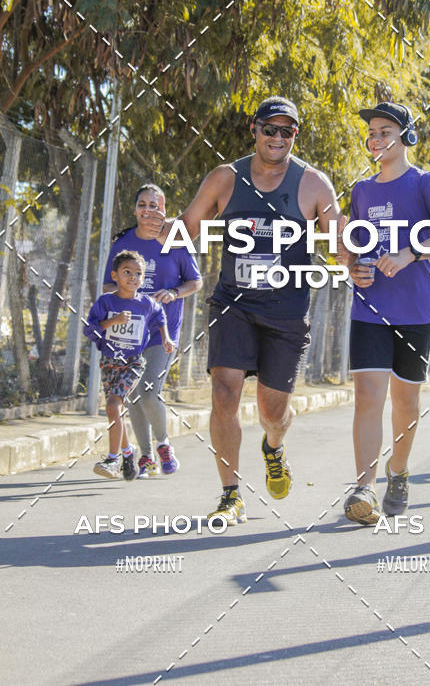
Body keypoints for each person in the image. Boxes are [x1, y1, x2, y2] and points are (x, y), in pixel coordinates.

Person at [157, 96, 345, 526]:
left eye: (287, 131)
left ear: (295, 135)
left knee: (272, 414)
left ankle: (273, 448)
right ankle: (230, 494)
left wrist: (358, 259)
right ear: (253, 129)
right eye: (270, 129)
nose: (278, 138)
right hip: (233, 304)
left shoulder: (314, 184)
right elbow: (188, 229)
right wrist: (163, 231)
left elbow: (340, 244)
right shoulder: (225, 178)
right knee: (224, 393)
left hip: (286, 311)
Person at [342, 102, 430, 525]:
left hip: (415, 311)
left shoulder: (426, 183)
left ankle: (399, 471)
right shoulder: (361, 190)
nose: (375, 138)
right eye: (371, 132)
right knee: (368, 397)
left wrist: (411, 253)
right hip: (369, 310)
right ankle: (364, 488)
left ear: (406, 135)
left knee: (405, 403)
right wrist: (353, 268)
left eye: (385, 130)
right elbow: (352, 247)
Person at [104, 184, 202, 477]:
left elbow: (195, 281)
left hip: (163, 333)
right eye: (143, 204)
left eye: (155, 205)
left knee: (148, 391)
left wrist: (173, 292)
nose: (148, 210)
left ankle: (163, 445)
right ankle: (145, 456)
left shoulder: (176, 241)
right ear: (135, 210)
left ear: (164, 211)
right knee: (132, 395)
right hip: (129, 334)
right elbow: (108, 284)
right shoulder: (122, 244)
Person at [84, 251, 175, 479]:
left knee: (114, 406)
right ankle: (128, 450)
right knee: (116, 410)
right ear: (115, 275)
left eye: (138, 274)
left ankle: (113, 460)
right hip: (109, 363)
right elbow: (90, 329)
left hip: (133, 363)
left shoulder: (145, 304)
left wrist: (165, 337)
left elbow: (160, 316)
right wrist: (113, 321)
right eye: (127, 272)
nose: (133, 277)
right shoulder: (106, 301)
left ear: (143, 278)